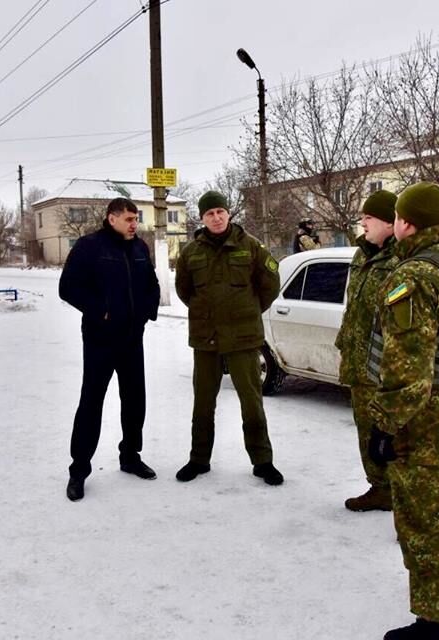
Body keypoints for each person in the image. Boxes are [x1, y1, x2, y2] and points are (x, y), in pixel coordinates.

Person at [363, 182, 439, 640]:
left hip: (426, 421)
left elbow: (407, 368)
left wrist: (385, 423)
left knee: (425, 520)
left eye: (396, 215)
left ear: (406, 222)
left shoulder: (414, 277)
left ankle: (438, 623)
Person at [174, 190, 284, 486]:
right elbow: (184, 291)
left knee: (251, 401)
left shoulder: (251, 247)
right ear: (202, 218)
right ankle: (199, 459)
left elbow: (270, 286)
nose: (216, 217)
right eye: (210, 214)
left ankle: (263, 462)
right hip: (205, 338)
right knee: (203, 402)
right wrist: (207, 312)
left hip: (244, 338)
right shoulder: (190, 252)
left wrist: (247, 310)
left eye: (220, 212)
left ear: (229, 214)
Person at [58, 197, 161, 502]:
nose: (134, 224)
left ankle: (130, 456)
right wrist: (99, 310)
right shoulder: (90, 247)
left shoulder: (140, 248)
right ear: (111, 218)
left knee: (134, 400)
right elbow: (68, 288)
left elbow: (151, 284)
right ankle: (78, 471)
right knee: (91, 403)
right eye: (129, 219)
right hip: (100, 339)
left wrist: (145, 312)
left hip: (132, 338)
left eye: (136, 219)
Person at [333, 189, 399, 512]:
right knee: (366, 429)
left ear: (390, 222)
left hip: (388, 366)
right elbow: (353, 307)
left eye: (368, 218)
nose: (362, 223)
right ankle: (379, 487)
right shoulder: (361, 255)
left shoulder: (403, 259)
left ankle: (403, 494)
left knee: (394, 434)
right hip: (359, 361)